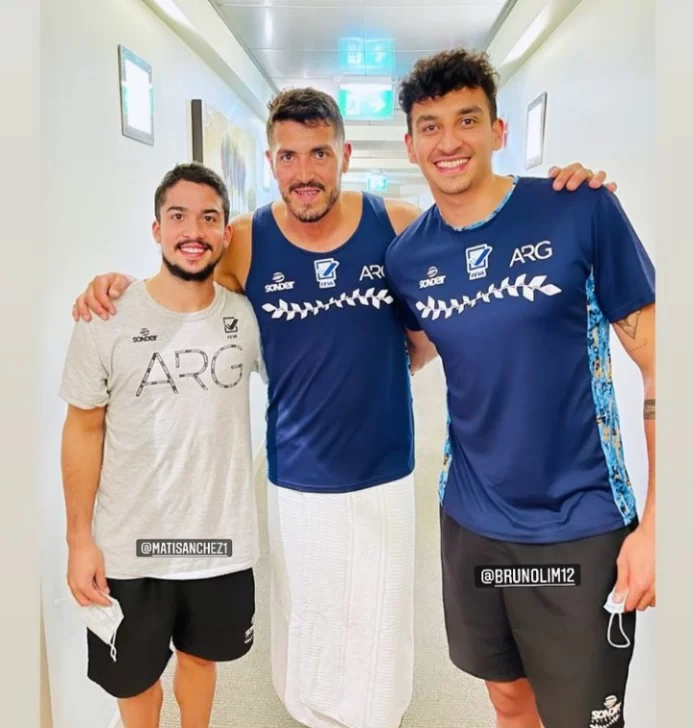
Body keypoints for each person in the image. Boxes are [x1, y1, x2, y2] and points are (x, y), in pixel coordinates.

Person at [70, 87, 616, 728]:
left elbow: (468, 267)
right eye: (289, 156)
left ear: (345, 155)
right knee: (310, 620)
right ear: (272, 162)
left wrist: (561, 202)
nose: (304, 172)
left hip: (384, 469)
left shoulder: (399, 225)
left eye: (319, 153)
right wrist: (116, 287)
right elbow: (182, 281)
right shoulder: (245, 242)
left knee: (380, 622)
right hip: (295, 476)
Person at [383, 49, 655, 728]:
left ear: (498, 130)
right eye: (430, 126)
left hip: (579, 523)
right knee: (507, 698)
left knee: (581, 718)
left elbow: (664, 366)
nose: (448, 141)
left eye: (467, 119)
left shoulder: (578, 209)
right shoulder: (408, 258)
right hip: (472, 521)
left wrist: (660, 526)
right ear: (411, 144)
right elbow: (416, 350)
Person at [59, 162, 264, 728]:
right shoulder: (106, 317)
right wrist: (79, 540)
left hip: (220, 542)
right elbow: (83, 430)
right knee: (135, 678)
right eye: (178, 216)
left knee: (200, 660)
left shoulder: (247, 318)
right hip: (129, 547)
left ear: (226, 233)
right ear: (156, 229)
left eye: (209, 218)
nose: (193, 231)